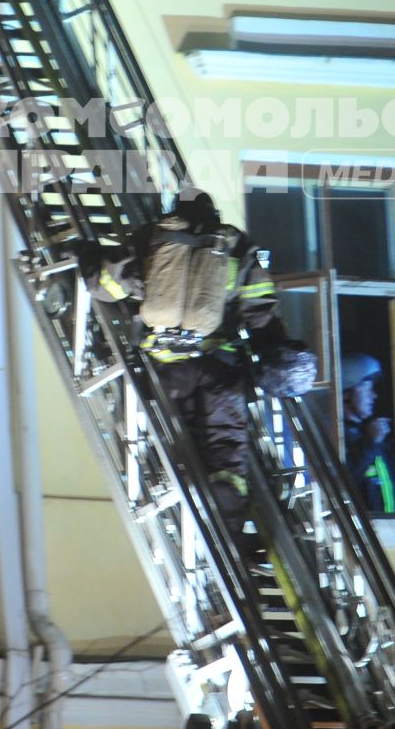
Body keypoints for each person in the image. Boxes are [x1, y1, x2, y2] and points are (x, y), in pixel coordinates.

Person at [83, 191, 284, 518]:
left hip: (164, 369)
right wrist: (274, 346)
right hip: (218, 364)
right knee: (224, 423)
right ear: (215, 214)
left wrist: (86, 254)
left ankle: (178, 482)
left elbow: (106, 284)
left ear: (175, 209)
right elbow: (259, 308)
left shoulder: (155, 237)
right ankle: (228, 481)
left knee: (169, 429)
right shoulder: (234, 246)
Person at [342, 353, 395, 514]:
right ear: (346, 392)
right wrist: (370, 443)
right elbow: (345, 483)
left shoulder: (369, 435)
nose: (374, 395)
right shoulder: (338, 437)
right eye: (367, 388)